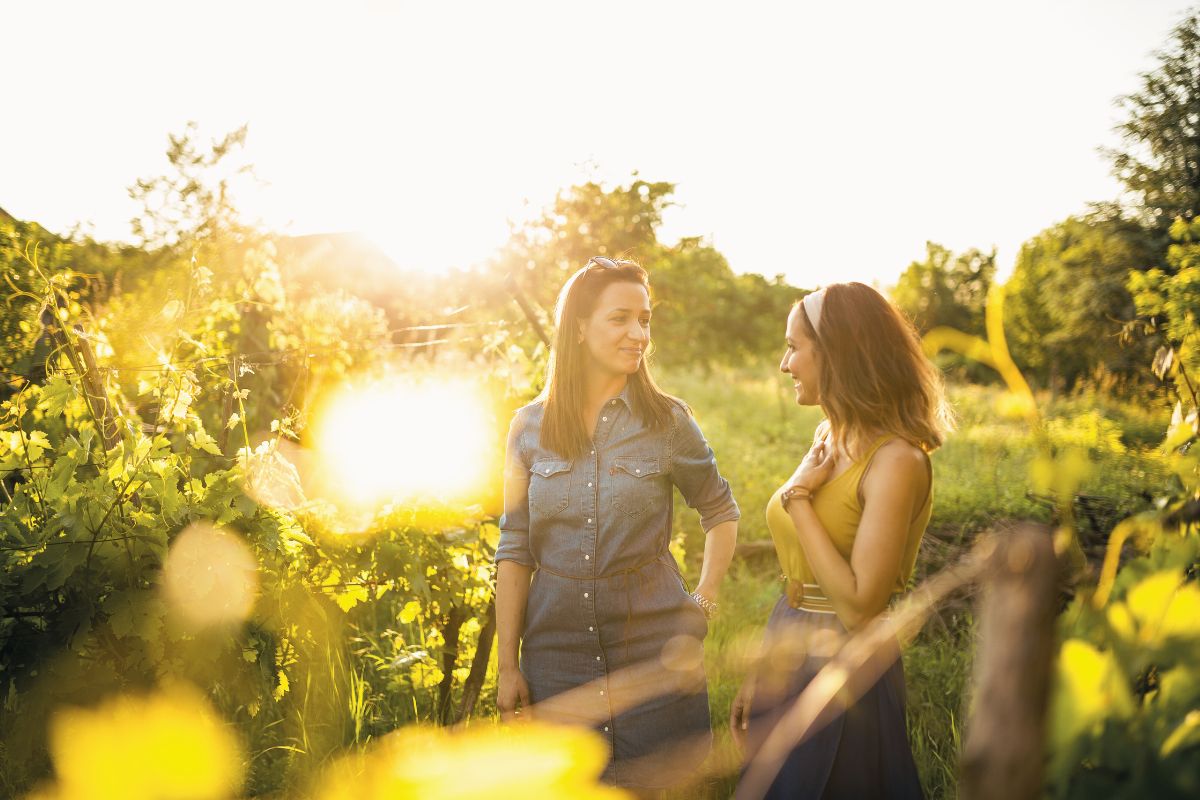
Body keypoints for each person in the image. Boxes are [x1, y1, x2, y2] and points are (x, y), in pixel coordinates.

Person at [495, 256, 740, 789]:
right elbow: (514, 549)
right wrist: (508, 666)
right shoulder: (528, 428)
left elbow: (719, 510)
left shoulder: (669, 421)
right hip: (554, 656)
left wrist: (703, 601)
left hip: (654, 652)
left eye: (645, 319)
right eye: (621, 318)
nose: (638, 334)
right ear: (579, 327)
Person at [730, 282, 951, 800]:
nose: (785, 364)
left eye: (793, 347)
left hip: (846, 665)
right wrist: (762, 671)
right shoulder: (829, 434)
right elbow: (801, 581)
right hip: (790, 638)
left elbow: (858, 607)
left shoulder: (897, 461)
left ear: (836, 354)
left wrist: (798, 502)